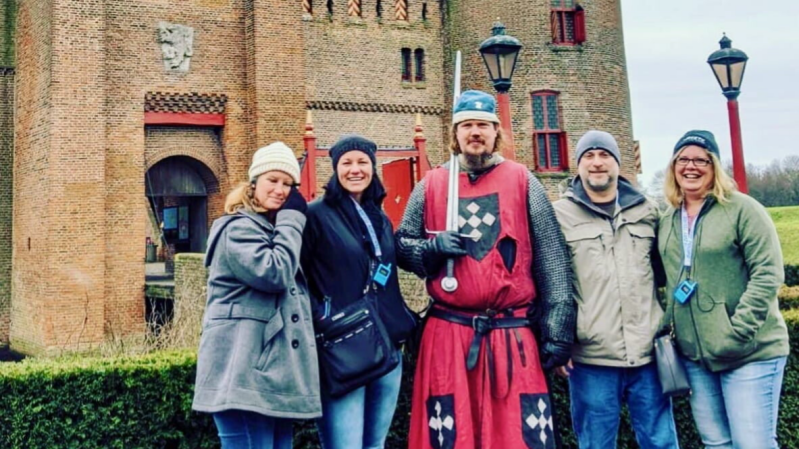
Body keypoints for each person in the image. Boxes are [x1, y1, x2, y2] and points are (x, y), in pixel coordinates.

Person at [396, 90, 575, 448]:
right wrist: (430, 251)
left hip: (512, 331)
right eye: (466, 126)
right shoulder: (431, 184)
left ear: (496, 132)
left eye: (482, 125)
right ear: (455, 134)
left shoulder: (523, 181)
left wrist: (558, 331)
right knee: (450, 431)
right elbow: (402, 247)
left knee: (520, 435)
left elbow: (551, 258)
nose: (474, 132)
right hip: (450, 333)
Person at [659, 130, 789, 449]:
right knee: (716, 443)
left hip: (749, 352)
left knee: (753, 443)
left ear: (715, 166)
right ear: (673, 166)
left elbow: (768, 273)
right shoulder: (667, 218)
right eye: (683, 159)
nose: (691, 166)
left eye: (701, 159)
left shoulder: (743, 210)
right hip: (696, 357)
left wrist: (738, 332)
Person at [552, 130, 679, 449]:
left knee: (661, 442)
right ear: (577, 165)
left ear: (618, 163)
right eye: (589, 156)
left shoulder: (647, 210)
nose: (597, 163)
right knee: (596, 445)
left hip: (648, 355)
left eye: (605, 155)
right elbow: (551, 283)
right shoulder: (559, 215)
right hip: (592, 358)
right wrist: (557, 339)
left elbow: (664, 274)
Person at [192, 142, 320, 449]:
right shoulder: (239, 229)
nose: (280, 189)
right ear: (254, 183)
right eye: (272, 181)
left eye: (288, 184)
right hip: (242, 371)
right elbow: (274, 273)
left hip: (268, 375)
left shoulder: (269, 229)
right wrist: (292, 221)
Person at [301, 134, 417, 449]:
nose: (355, 170)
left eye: (363, 162)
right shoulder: (315, 215)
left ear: (373, 168)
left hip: (387, 345)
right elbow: (295, 277)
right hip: (344, 346)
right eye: (347, 163)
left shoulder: (379, 217)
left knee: (375, 445)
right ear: (335, 169)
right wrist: (320, 318)